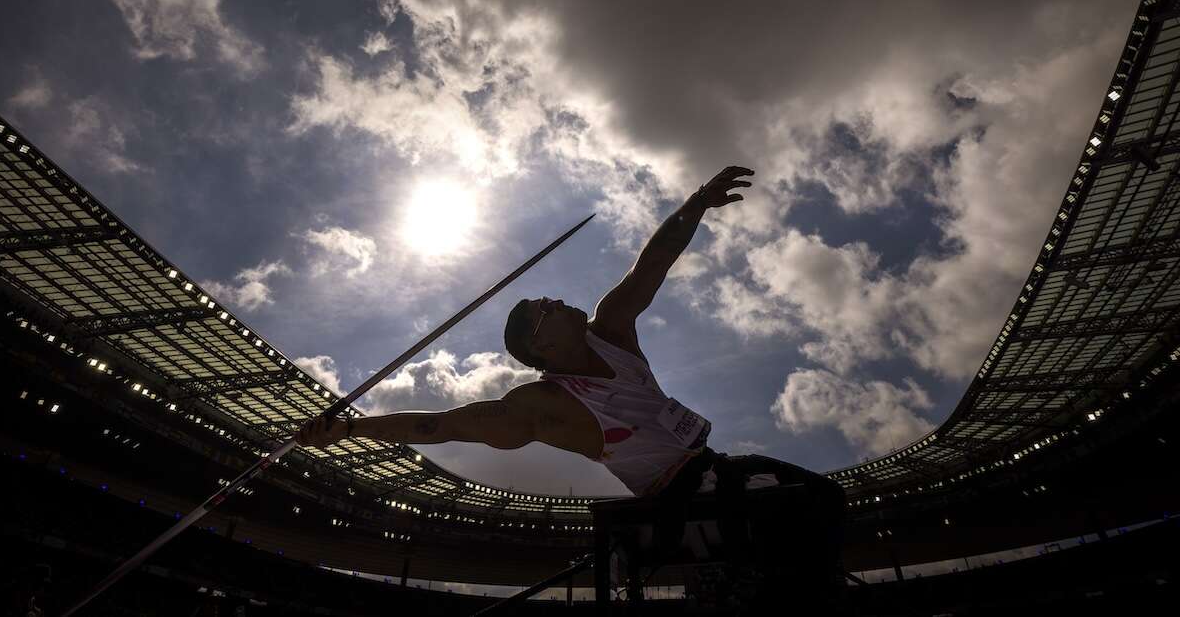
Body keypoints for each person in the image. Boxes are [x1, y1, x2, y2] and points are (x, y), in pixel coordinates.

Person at [296, 165, 843, 567]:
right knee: (791, 527)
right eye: (544, 312)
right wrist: (347, 428)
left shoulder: (612, 333)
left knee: (825, 498)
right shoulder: (542, 405)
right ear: (541, 352)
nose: (555, 302)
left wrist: (696, 203)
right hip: (680, 497)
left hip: (716, 465)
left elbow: (652, 264)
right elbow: (438, 425)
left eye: (548, 299)